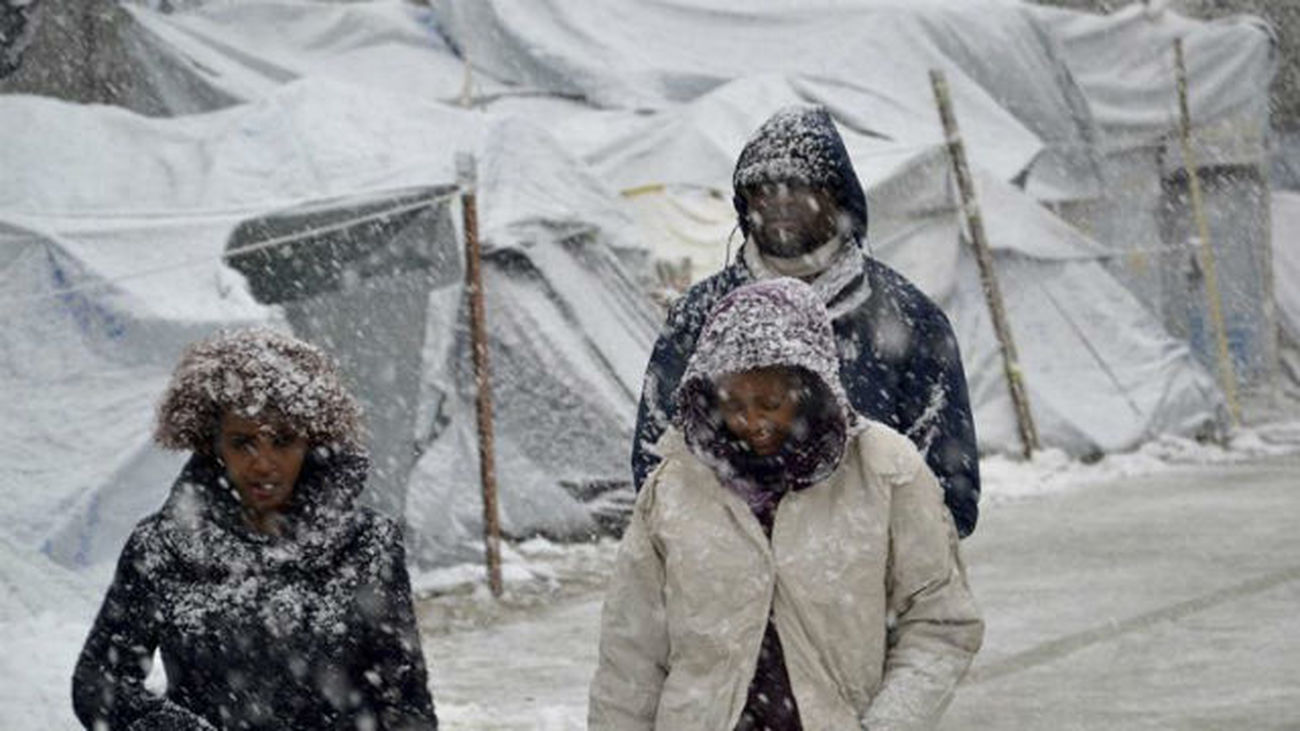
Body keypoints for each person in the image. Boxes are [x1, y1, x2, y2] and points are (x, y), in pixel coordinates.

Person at [590, 278, 983, 730]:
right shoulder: (676, 487)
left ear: (811, 388)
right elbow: (631, 654)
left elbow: (940, 621)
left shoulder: (884, 470)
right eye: (732, 403)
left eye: (771, 403)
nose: (751, 421)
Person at [632, 105, 982, 538]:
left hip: (861, 591)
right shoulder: (701, 316)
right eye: (762, 188)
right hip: (732, 588)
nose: (779, 201)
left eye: (797, 186)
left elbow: (948, 492)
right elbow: (656, 466)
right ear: (746, 204)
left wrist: (872, 563)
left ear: (838, 196)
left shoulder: (908, 318)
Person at [72, 328, 438, 731]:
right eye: (242, 442)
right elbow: (99, 683)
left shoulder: (369, 545)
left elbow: (406, 702)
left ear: (311, 441)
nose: (263, 463)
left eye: (282, 440)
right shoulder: (160, 547)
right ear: (212, 444)